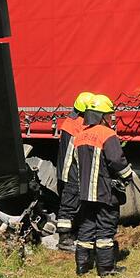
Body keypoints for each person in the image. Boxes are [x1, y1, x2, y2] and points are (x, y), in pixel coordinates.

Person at [70, 94, 134, 277]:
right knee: (106, 228)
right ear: (102, 116)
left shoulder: (80, 136)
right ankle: (106, 269)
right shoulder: (107, 134)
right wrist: (128, 177)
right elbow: (117, 161)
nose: (111, 119)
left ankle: (82, 266)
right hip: (105, 192)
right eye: (109, 115)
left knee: (86, 227)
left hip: (85, 193)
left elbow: (77, 165)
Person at [56, 91, 95, 252]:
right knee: (69, 205)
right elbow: (71, 155)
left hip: (71, 171)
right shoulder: (76, 126)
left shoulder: (72, 122)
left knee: (74, 204)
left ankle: (73, 234)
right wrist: (71, 177)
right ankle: (64, 239)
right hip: (72, 172)